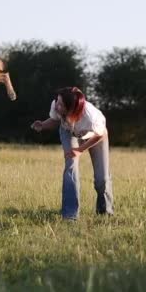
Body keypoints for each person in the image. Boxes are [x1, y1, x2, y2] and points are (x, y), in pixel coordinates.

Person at [31, 87, 114, 220]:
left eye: (60, 104)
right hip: (70, 132)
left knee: (101, 178)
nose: (56, 105)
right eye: (57, 101)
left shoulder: (91, 118)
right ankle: (70, 215)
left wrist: (80, 150)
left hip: (97, 136)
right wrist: (43, 124)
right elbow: (55, 120)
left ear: (71, 108)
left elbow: (99, 135)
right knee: (71, 166)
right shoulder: (56, 105)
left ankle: (105, 212)